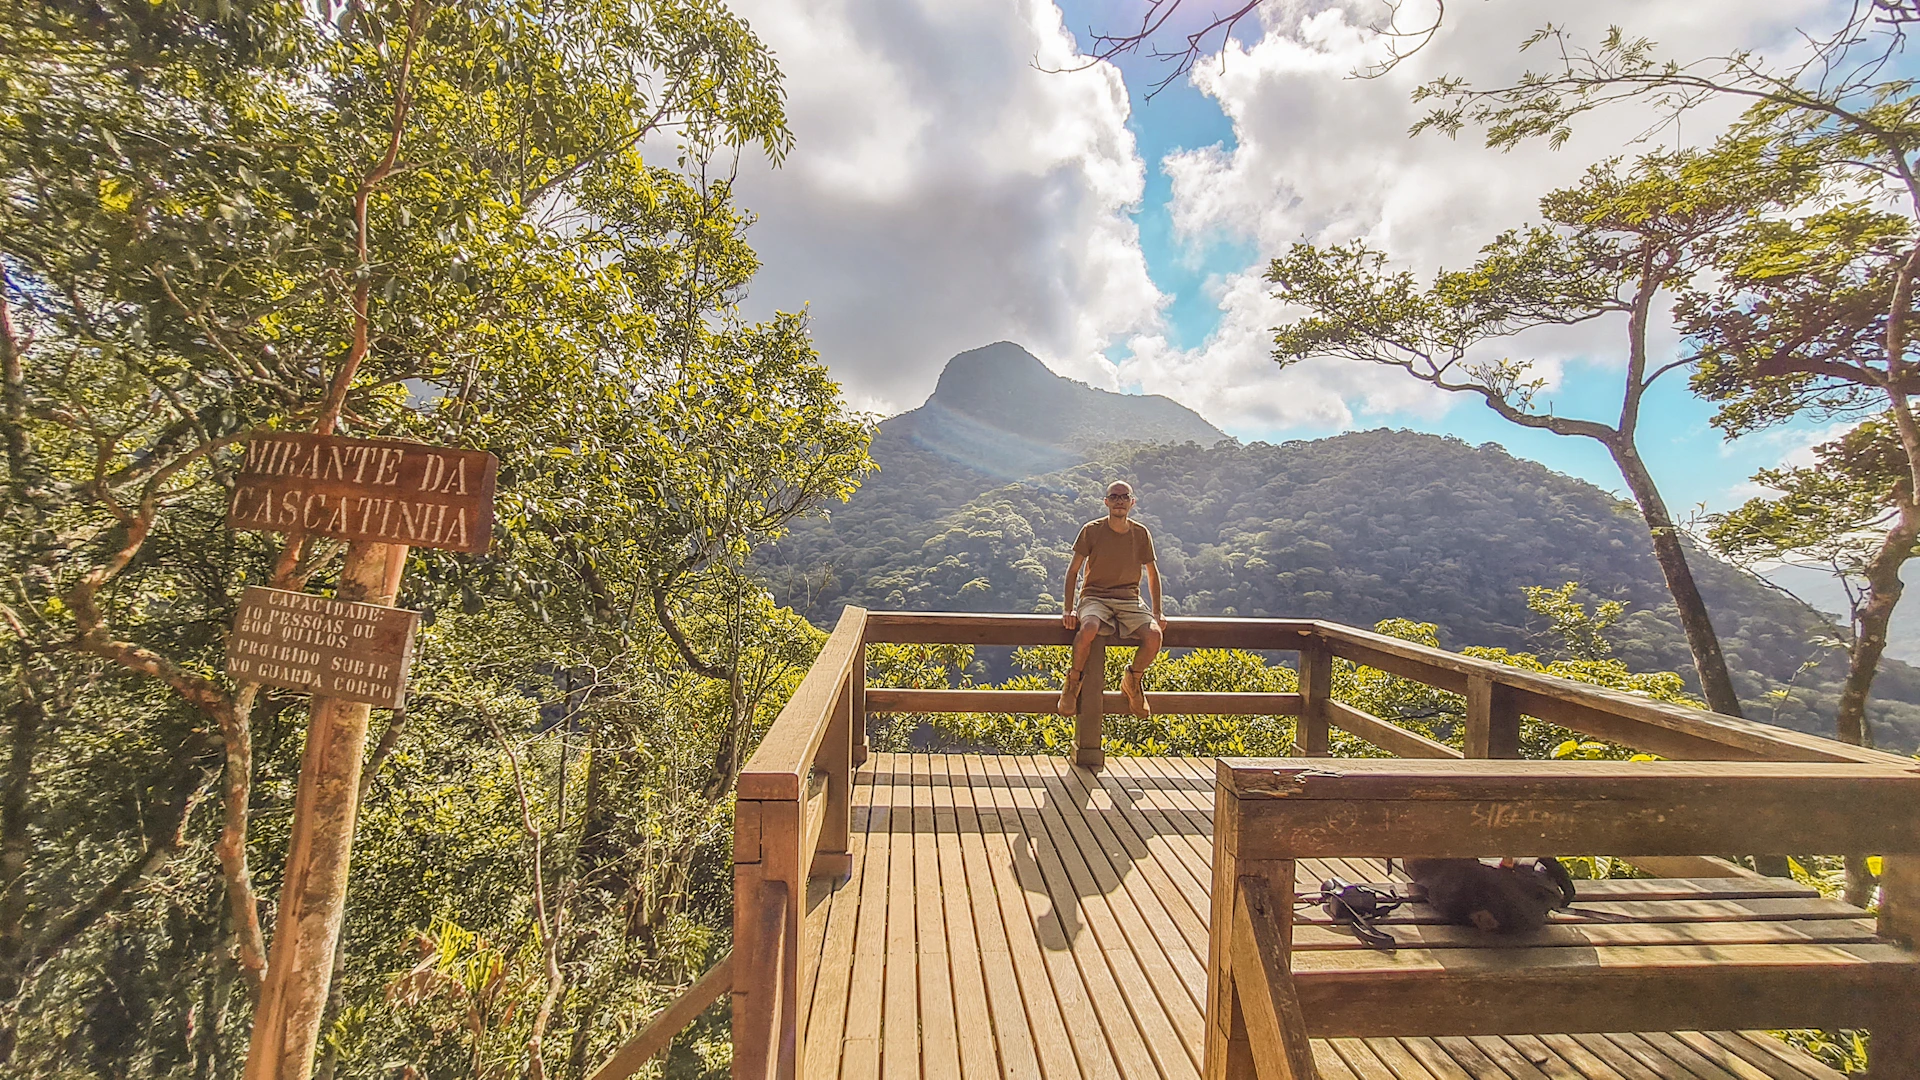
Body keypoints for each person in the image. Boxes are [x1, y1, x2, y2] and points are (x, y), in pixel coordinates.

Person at [1058, 480, 1166, 717]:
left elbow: (1152, 572)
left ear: (1132, 502)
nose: (1119, 501)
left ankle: (1133, 681)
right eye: (1114, 497)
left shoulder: (1140, 533)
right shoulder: (1092, 530)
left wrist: (1157, 612)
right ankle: (1073, 682)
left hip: (1129, 598)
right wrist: (1068, 609)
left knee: (1155, 635)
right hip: (1095, 596)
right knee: (1088, 628)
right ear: (1106, 502)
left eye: (1124, 497)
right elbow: (1073, 570)